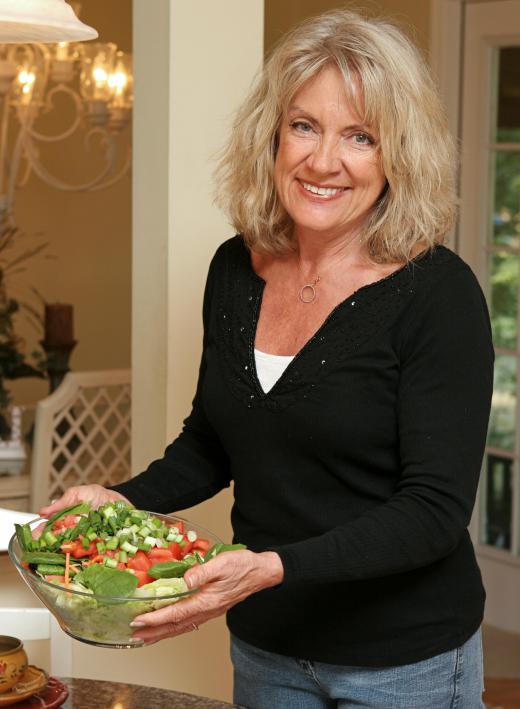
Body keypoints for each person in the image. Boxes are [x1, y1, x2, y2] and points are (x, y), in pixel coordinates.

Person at [40, 9, 494, 708]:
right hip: (267, 648)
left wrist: (270, 567)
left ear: (399, 154)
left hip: (403, 662)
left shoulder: (438, 295)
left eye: (360, 136)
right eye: (304, 126)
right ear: (273, 134)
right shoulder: (235, 270)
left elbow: (432, 510)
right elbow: (212, 442)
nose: (322, 161)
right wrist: (122, 498)